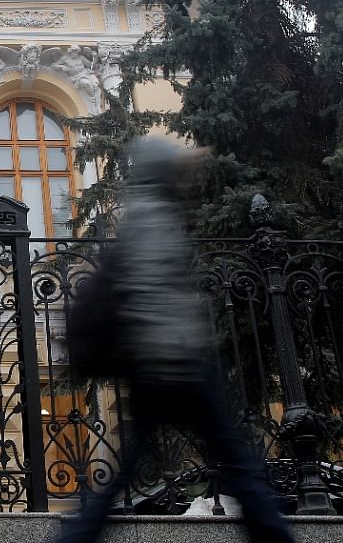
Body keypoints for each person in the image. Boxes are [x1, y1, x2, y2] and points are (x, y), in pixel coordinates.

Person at [54, 136, 295, 543]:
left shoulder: (143, 215)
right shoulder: (155, 218)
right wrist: (175, 353)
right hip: (174, 366)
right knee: (239, 463)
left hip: (155, 368)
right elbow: (152, 292)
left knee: (126, 476)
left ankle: (74, 537)